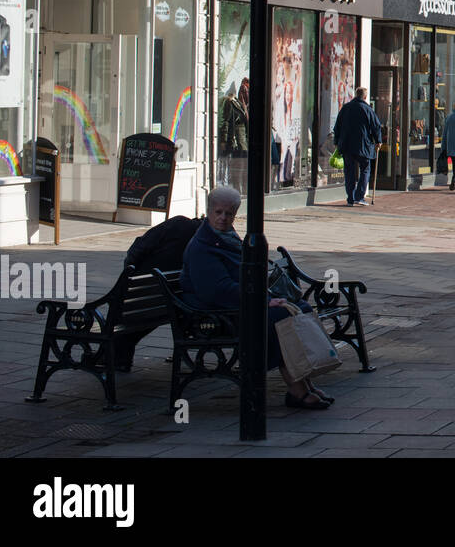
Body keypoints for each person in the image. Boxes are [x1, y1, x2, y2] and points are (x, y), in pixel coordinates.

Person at [180, 187, 333, 410]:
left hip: (236, 305)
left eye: (229, 213)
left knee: (298, 307)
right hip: (215, 315)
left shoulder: (225, 238)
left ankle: (304, 381)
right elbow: (215, 290)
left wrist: (268, 297)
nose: (223, 218)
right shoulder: (202, 247)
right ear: (209, 211)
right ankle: (296, 388)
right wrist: (262, 301)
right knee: (279, 318)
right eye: (218, 212)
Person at [112, 214, 202, 371]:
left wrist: (129, 273)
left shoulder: (179, 224)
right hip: (167, 304)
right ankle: (117, 356)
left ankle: (117, 357)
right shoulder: (207, 240)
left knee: (131, 312)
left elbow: (138, 248)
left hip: (139, 298)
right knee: (147, 310)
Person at [332, 86, 382, 206]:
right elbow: (376, 126)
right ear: (365, 97)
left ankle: (350, 198)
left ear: (356, 95)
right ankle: (359, 196)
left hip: (347, 145)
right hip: (363, 146)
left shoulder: (346, 108)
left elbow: (337, 126)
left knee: (349, 171)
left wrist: (337, 142)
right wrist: (378, 140)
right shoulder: (368, 109)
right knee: (365, 169)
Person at [218, 79, 250, 193]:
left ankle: (242, 189)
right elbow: (226, 122)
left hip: (242, 141)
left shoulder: (238, 103)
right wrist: (223, 140)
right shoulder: (229, 102)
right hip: (236, 140)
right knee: (236, 167)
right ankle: (236, 189)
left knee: (242, 166)